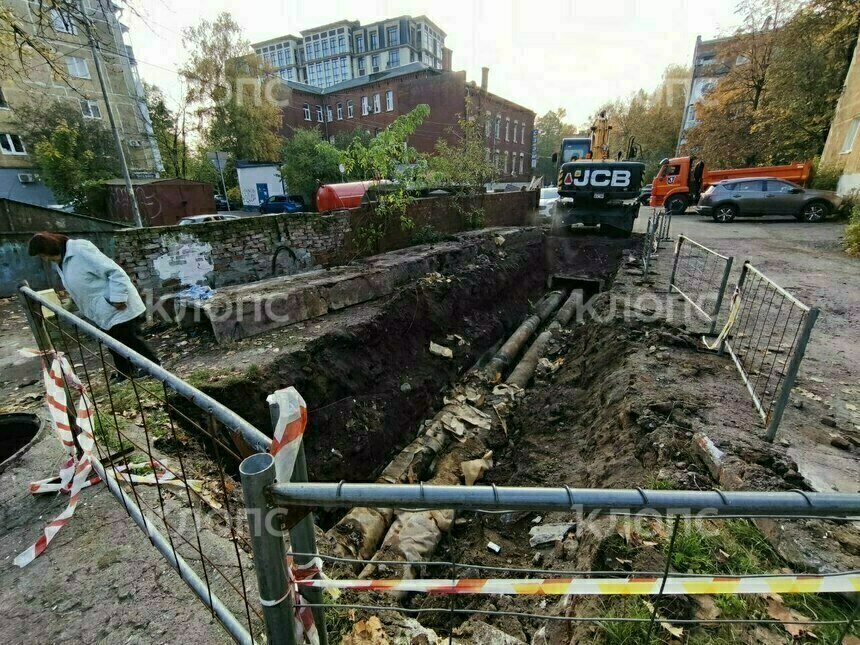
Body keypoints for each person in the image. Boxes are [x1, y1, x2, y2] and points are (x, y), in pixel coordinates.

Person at [28, 232, 159, 383]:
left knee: (130, 339)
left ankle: (154, 367)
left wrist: (118, 298)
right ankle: (126, 373)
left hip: (117, 304)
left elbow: (116, 272)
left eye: (43, 255)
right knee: (113, 343)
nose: (44, 259)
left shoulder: (80, 250)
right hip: (102, 308)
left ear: (50, 248)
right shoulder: (60, 261)